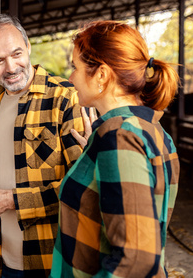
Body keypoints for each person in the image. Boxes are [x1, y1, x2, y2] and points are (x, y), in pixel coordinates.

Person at [0, 14, 88, 277]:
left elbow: (83, 189)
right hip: (6, 258)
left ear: (29, 47)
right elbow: (7, 175)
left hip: (55, 258)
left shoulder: (65, 98)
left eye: (16, 54)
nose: (11, 67)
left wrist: (9, 200)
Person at [49, 21, 180, 277]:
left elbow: (136, 261)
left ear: (101, 74)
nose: (71, 77)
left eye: (75, 67)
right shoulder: (150, 129)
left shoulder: (119, 135)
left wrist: (112, 145)